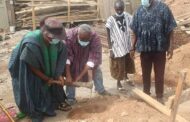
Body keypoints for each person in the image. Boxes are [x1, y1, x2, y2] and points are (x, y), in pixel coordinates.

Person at [9, 18, 71, 122]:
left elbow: (61, 56)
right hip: (29, 68)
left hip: (46, 66)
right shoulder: (31, 43)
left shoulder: (57, 42)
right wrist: (46, 78)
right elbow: (31, 65)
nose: (57, 40)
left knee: (52, 86)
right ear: (46, 35)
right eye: (54, 38)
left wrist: (58, 74)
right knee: (33, 87)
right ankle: (33, 109)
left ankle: (53, 103)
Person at [130, 0, 177, 103]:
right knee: (145, 73)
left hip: (160, 49)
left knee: (159, 74)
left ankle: (159, 95)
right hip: (144, 49)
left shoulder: (163, 8)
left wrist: (171, 46)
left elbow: (170, 29)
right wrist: (132, 47)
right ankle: (146, 93)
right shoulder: (139, 11)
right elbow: (134, 31)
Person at [65, 24, 110, 105]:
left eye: (86, 40)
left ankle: (100, 90)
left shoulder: (95, 37)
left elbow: (94, 56)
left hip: (87, 57)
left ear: (90, 37)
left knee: (96, 70)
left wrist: (80, 76)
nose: (84, 42)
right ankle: (70, 98)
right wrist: (68, 75)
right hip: (74, 59)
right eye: (82, 39)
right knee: (71, 76)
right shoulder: (69, 36)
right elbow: (67, 56)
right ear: (77, 35)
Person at [106, 0, 135, 91]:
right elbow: (108, 35)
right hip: (117, 46)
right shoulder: (110, 20)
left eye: (121, 9)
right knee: (120, 65)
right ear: (114, 8)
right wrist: (110, 49)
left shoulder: (127, 16)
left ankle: (126, 77)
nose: (119, 11)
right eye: (118, 9)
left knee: (128, 61)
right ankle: (118, 82)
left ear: (124, 8)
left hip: (126, 44)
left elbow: (134, 23)